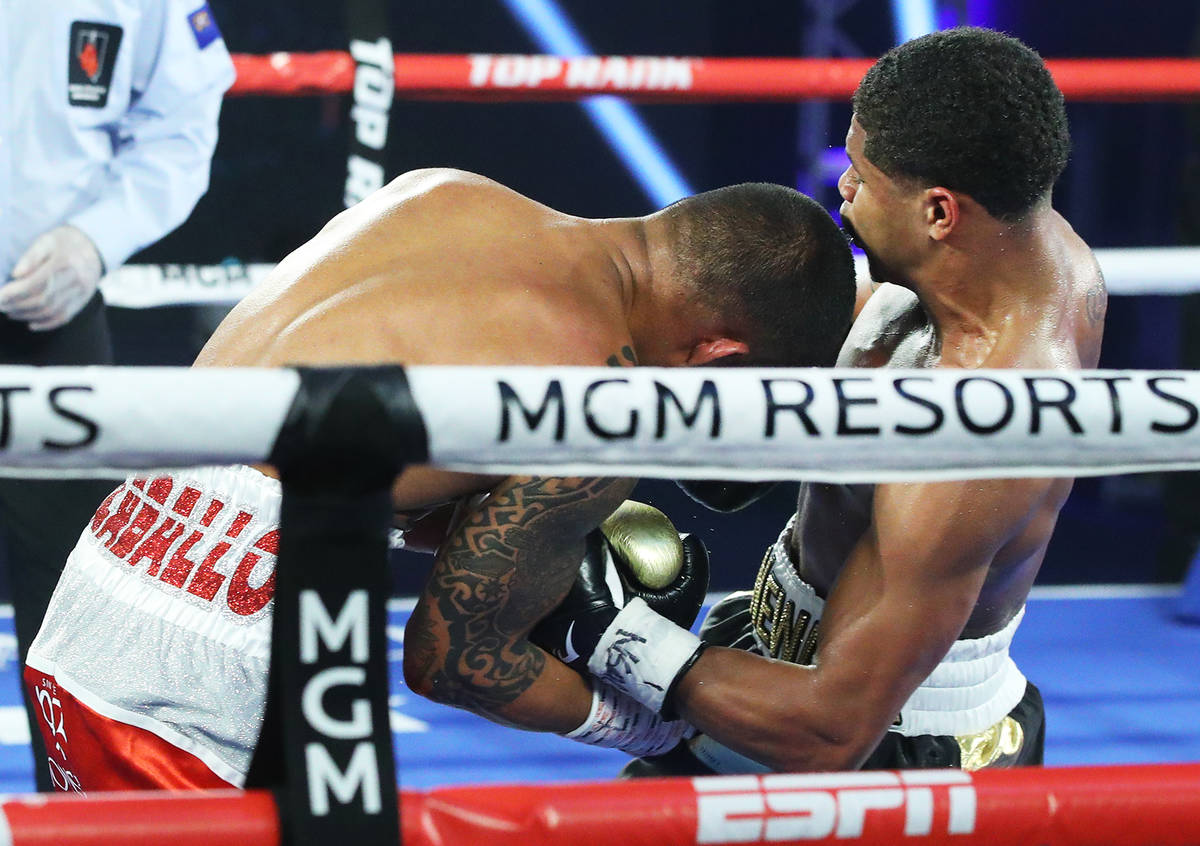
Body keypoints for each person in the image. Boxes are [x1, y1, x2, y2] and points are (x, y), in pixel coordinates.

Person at [23, 167, 856, 791]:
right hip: (214, 683)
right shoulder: (603, 396)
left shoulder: (440, 193)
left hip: (107, 571)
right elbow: (454, 659)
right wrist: (652, 731)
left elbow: (330, 463)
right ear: (721, 354)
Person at [539, 26, 1106, 775]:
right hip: (790, 643)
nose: (842, 185)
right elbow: (887, 338)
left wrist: (613, 636)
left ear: (940, 214)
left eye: (863, 178)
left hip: (882, 738)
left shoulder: (976, 431)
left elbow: (831, 730)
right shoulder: (1018, 234)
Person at [0, 1, 234, 790]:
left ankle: (79, 832)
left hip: (44, 315)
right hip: (46, 319)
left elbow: (182, 117)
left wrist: (96, 237)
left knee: (69, 601)